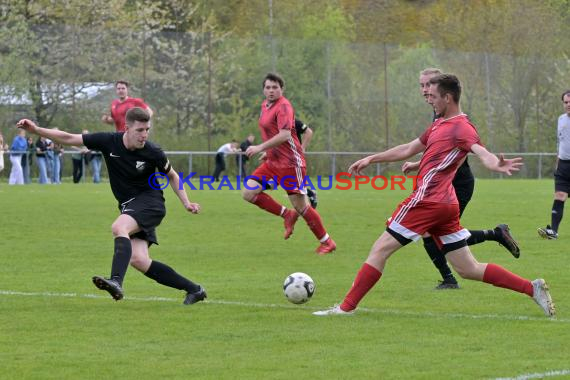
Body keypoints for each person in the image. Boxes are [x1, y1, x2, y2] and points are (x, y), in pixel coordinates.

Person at [313, 74, 555, 317]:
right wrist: (371, 158)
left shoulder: (462, 127)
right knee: (468, 268)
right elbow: (409, 148)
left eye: (434, 96)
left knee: (379, 249)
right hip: (445, 204)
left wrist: (494, 164)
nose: (429, 100)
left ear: (448, 98)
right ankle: (531, 288)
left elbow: (480, 151)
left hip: (428, 200)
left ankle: (345, 309)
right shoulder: (439, 124)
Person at [17, 107, 206, 304]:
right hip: (129, 206)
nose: (144, 135)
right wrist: (37, 130)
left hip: (151, 203)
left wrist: (186, 202)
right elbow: (69, 138)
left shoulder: (153, 152)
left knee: (119, 227)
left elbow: (173, 176)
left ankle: (116, 281)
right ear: (127, 128)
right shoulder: (109, 141)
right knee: (139, 260)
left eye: (147, 129)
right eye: (139, 130)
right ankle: (195, 290)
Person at [402, 68, 520, 290]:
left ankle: (452, 275)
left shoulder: (452, 115)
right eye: (421, 86)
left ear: (442, 91)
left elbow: (470, 150)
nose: (425, 91)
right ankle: (455, 272)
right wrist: (418, 164)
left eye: (428, 85)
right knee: (436, 234)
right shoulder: (437, 114)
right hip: (442, 184)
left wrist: (494, 162)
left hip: (458, 182)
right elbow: (437, 151)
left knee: (439, 234)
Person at [243, 73, 335, 254]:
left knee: (301, 206)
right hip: (273, 162)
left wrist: (260, 146)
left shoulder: (284, 106)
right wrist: (268, 153)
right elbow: (272, 133)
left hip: (290, 164)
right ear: (263, 89)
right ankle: (286, 215)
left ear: (281, 89)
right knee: (248, 192)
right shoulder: (265, 105)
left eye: (275, 87)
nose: (271, 90)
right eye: (268, 87)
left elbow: (285, 135)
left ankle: (327, 242)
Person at [537, 90, 570, 239]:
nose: (568, 105)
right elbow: (560, 142)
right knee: (559, 196)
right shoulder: (561, 119)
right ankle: (554, 232)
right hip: (563, 166)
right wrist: (557, 162)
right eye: (566, 102)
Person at [294, 119, 318, 209]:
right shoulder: (276, 123)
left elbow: (309, 132)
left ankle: (310, 196)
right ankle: (310, 194)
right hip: (284, 157)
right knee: (292, 184)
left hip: (295, 157)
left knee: (296, 185)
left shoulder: (294, 122)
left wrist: (302, 147)